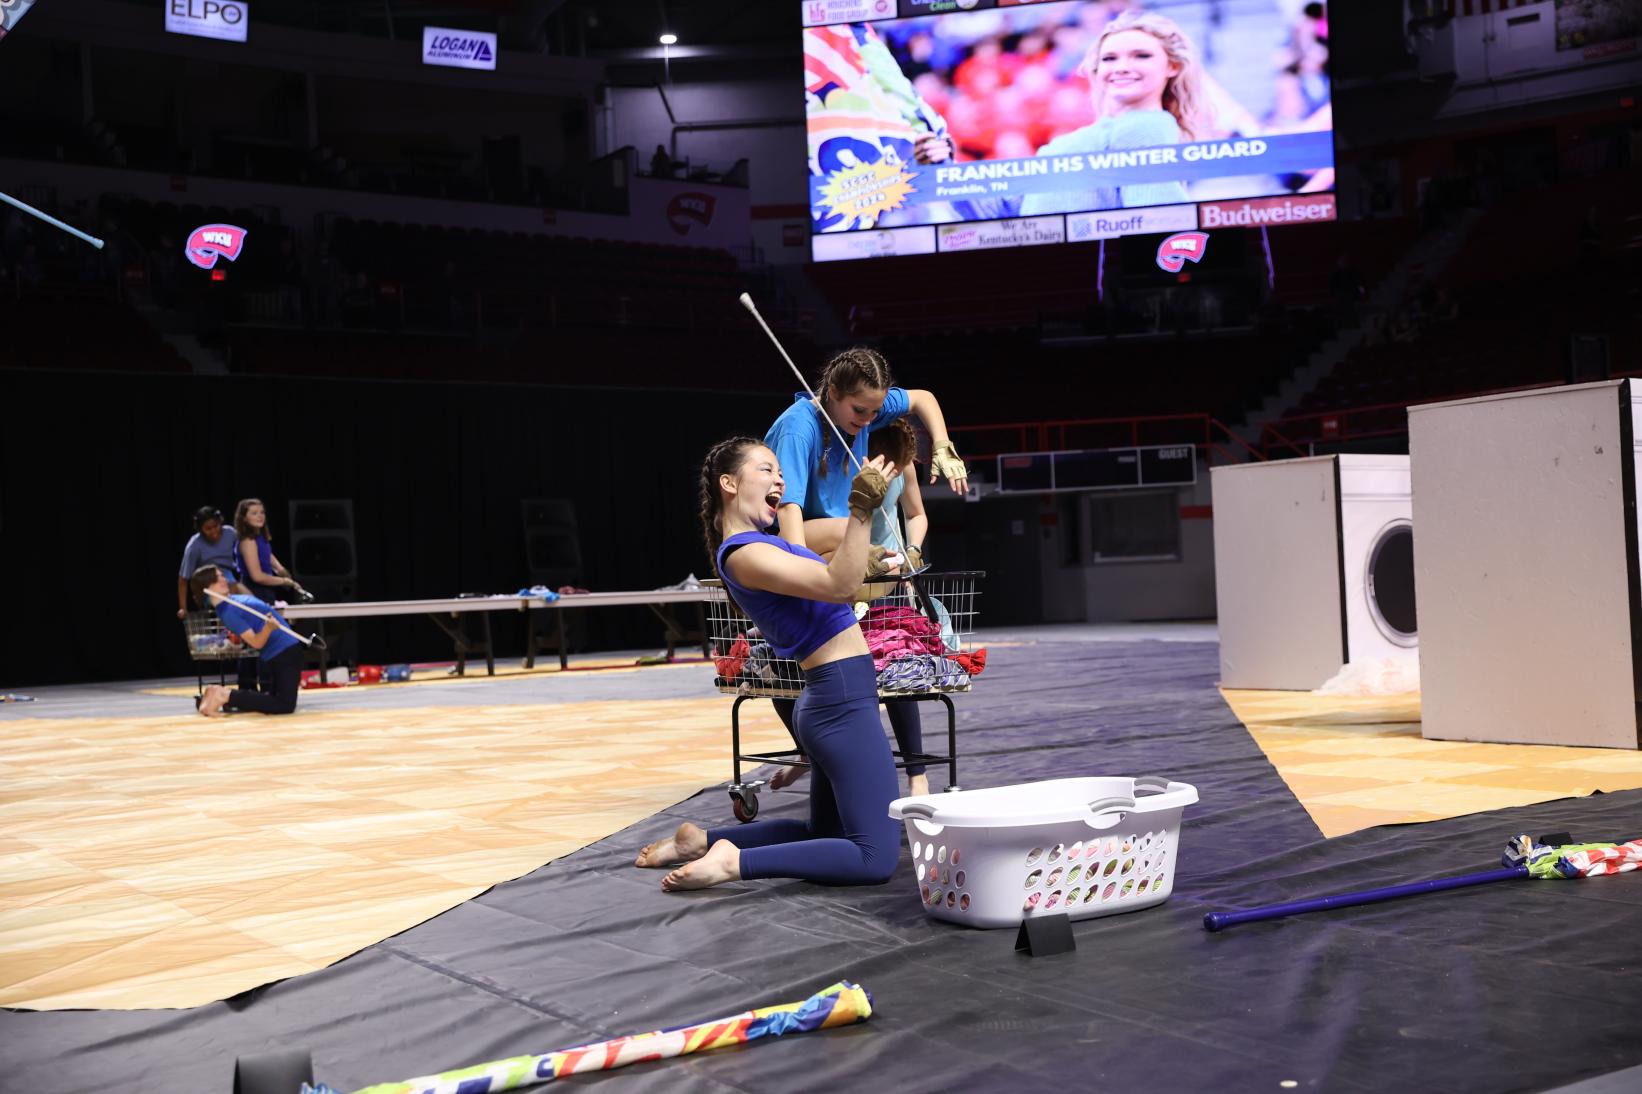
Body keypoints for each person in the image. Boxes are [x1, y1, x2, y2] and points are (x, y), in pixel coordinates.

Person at [634, 438, 902, 890]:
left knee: (826, 835)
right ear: (729, 483)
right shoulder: (745, 553)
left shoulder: (765, 544)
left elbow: (841, 573)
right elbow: (840, 586)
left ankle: (703, 842)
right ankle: (730, 864)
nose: (779, 478)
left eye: (780, 472)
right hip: (839, 699)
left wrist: (862, 538)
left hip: (832, 697)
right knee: (873, 858)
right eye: (766, 470)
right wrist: (860, 511)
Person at [763, 347, 967, 795]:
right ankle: (815, 756)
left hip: (841, 552)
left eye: (875, 411)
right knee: (787, 669)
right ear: (832, 392)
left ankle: (905, 772)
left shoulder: (862, 413)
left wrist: (944, 444)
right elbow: (789, 514)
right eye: (860, 410)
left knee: (885, 658)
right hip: (796, 546)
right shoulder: (800, 430)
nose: (869, 419)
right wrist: (805, 580)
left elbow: (923, 399)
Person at [1018, 11, 1206, 216]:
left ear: (1173, 66)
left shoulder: (1146, 127)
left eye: (1142, 56)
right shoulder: (1104, 132)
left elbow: (1157, 222)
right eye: (1109, 59)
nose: (1122, 67)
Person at [189, 564, 303, 716]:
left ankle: (221, 694)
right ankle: (225, 695)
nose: (223, 579)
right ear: (206, 588)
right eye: (216, 578)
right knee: (284, 705)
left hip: (283, 650)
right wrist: (268, 628)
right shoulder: (228, 611)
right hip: (282, 651)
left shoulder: (233, 601)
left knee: (278, 701)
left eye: (221, 575)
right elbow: (256, 642)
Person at [233, 497, 310, 607]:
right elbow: (257, 577)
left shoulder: (260, 538)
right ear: (244, 518)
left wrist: (283, 572)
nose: (260, 516)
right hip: (253, 590)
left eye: (262, 512)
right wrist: (285, 581)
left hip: (265, 590)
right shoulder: (248, 542)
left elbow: (268, 557)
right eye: (254, 513)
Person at [176, 505, 243, 620]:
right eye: (208, 528)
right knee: (229, 591)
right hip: (207, 582)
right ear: (200, 529)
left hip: (229, 577)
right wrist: (183, 608)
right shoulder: (194, 546)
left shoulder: (230, 533)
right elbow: (183, 579)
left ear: (220, 522)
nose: (213, 531)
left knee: (244, 594)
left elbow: (245, 551)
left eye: (216, 526)